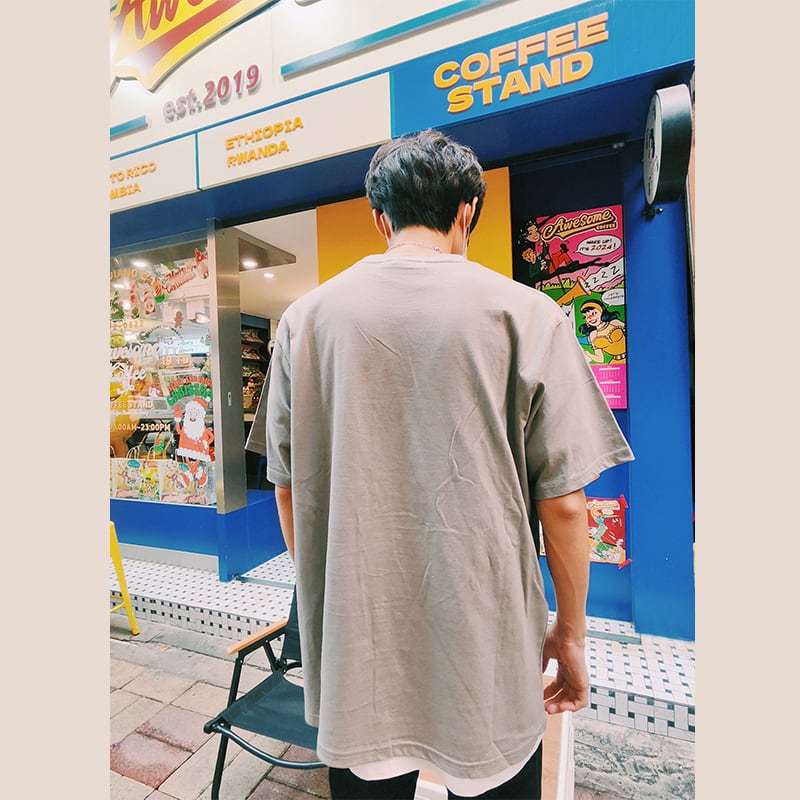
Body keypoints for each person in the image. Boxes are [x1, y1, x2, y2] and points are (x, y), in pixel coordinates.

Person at [265, 129, 634, 800]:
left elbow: (288, 491)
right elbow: (564, 504)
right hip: (485, 650)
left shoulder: (302, 322)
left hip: (359, 653)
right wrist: (570, 633)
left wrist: (331, 593)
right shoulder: (530, 314)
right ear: (467, 211)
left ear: (380, 219)